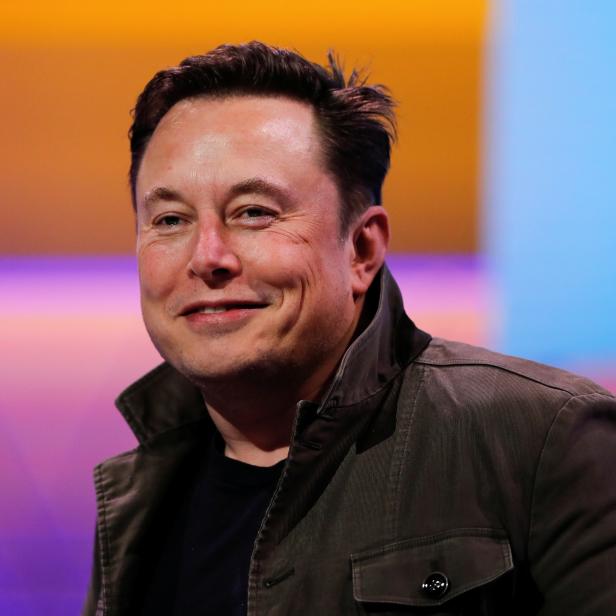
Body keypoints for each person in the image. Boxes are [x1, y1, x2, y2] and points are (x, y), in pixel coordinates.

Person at [83, 41, 616, 616]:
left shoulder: (547, 440)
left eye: (254, 212)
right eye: (169, 220)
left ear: (362, 248)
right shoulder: (136, 499)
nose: (207, 256)